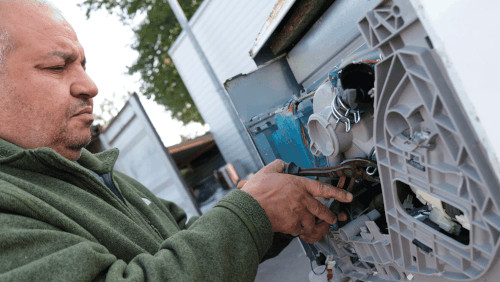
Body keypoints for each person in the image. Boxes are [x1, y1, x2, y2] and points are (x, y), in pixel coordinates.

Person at [0, 1, 353, 281]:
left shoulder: (96, 173)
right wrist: (252, 212)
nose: (89, 86)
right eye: (56, 67)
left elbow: (180, 244)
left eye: (83, 64)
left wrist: (273, 215)